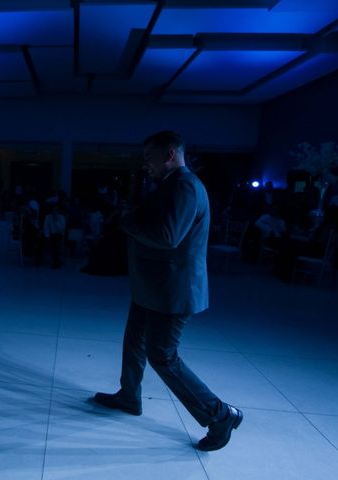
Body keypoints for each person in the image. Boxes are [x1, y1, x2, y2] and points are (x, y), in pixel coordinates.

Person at [92, 131, 242, 452]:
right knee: (134, 340)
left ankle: (219, 416)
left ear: (170, 154)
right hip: (154, 286)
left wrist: (127, 221)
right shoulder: (170, 184)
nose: (145, 164)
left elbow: (168, 236)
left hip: (173, 290)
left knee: (163, 355)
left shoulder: (185, 185)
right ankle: (129, 396)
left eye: (149, 157)